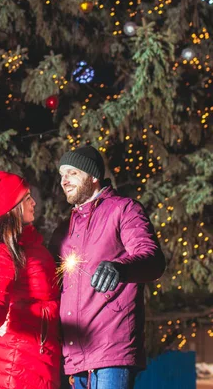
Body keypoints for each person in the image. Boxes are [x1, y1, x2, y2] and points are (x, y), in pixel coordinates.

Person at [50, 146, 166, 389]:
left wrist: (120, 268)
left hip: (112, 349)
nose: (64, 180)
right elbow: (48, 282)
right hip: (73, 356)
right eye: (62, 174)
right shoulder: (63, 230)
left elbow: (152, 259)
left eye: (72, 173)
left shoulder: (123, 209)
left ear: (93, 177)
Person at [0, 169, 61, 389]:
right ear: (13, 208)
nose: (33, 202)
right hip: (20, 365)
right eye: (27, 198)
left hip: (42, 358)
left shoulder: (34, 246)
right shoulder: (5, 251)